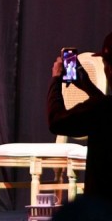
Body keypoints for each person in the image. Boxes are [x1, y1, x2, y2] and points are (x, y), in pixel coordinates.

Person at [47, 31, 112, 203]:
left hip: (102, 208)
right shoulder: (103, 107)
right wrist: (88, 86)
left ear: (110, 70)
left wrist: (56, 80)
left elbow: (57, 121)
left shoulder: (101, 109)